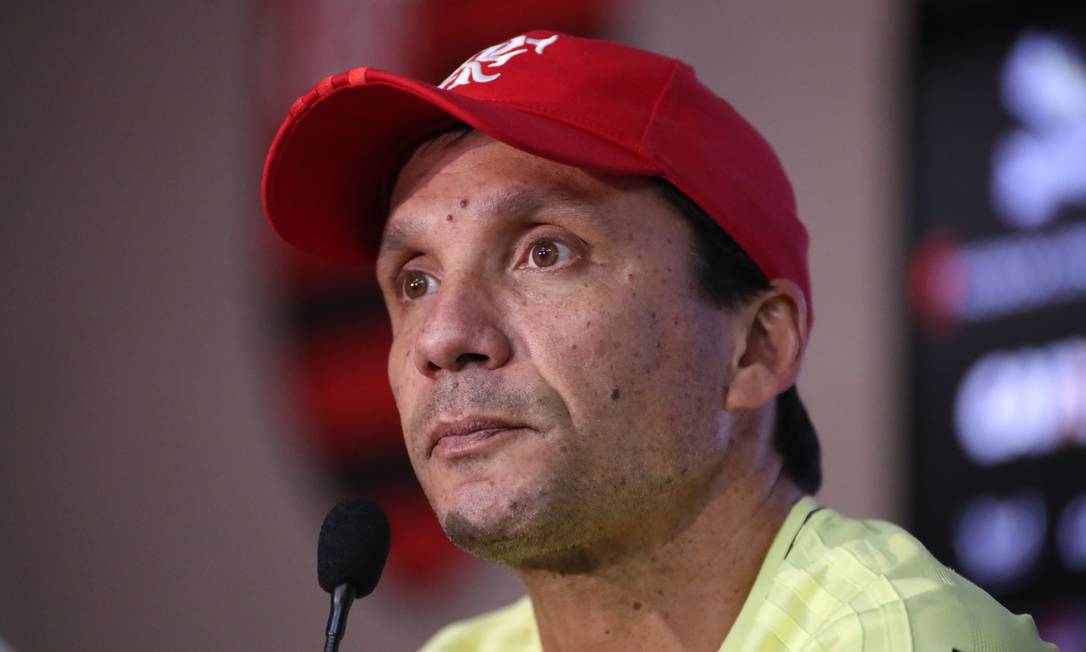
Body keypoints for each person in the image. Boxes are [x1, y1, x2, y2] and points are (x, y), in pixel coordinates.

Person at [262, 30, 1055, 652]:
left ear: (756, 347)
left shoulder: (893, 637)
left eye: (546, 251)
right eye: (415, 281)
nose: (442, 337)